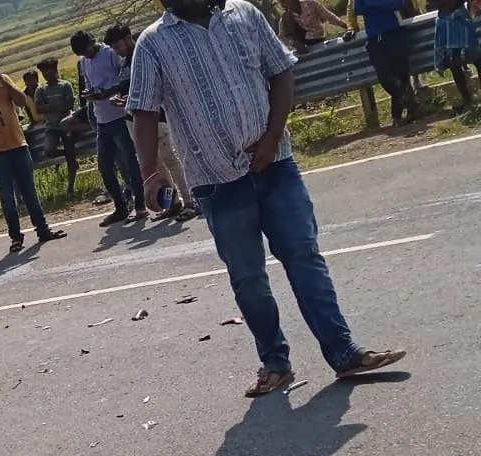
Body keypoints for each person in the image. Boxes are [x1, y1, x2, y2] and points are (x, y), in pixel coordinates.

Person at [127, 0, 406, 397]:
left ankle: (343, 353)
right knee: (249, 279)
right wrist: (150, 173)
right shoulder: (153, 44)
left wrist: (273, 136)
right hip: (217, 183)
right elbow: (142, 112)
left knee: (304, 257)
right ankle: (275, 363)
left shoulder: (244, 14)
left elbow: (281, 71)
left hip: (275, 165)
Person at [0, 44, 65, 252]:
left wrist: (2, 82)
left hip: (18, 145)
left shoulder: (2, 80)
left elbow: (21, 100)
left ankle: (43, 230)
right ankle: (16, 237)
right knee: (7, 197)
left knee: (30, 193)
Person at [104, 23, 199, 221]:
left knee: (170, 159)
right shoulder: (124, 63)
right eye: (113, 48)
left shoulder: (143, 55)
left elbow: (154, 86)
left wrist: (129, 100)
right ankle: (172, 204)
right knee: (155, 164)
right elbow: (128, 88)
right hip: (133, 117)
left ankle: (190, 201)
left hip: (155, 117)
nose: (116, 51)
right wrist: (121, 99)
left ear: (128, 38)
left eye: (118, 46)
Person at [72, 30, 147, 227]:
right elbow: (87, 84)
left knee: (130, 163)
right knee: (105, 166)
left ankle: (140, 204)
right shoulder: (84, 62)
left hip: (119, 116)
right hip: (101, 119)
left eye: (86, 50)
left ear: (92, 42)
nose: (86, 55)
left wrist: (106, 93)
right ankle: (121, 206)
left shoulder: (110, 54)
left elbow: (123, 82)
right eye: (81, 53)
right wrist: (91, 94)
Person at [345, 0, 420, 125]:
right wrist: (382, 4)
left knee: (400, 73)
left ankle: (397, 117)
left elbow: (398, 4)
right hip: (375, 36)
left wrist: (371, 4)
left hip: (394, 31)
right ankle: (406, 98)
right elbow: (357, 8)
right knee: (384, 74)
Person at [32, 57, 80, 196]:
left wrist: (49, 107)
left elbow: (69, 104)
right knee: (49, 150)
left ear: (55, 70)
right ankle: (68, 156)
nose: (47, 75)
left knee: (71, 157)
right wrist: (57, 106)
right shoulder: (41, 90)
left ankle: (70, 188)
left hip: (66, 125)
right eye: (44, 73)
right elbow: (39, 108)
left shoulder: (65, 85)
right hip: (52, 127)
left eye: (49, 71)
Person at [434, 0, 481, 112]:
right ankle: (466, 99)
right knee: (454, 64)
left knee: (477, 58)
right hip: (445, 18)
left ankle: (467, 99)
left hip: (460, 16)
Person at [278, 0, 350, 52]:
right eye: (280, 1)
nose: (282, 4)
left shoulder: (310, 4)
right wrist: (293, 43)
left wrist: (347, 26)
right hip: (302, 47)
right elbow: (282, 37)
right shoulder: (286, 18)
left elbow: (329, 16)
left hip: (317, 41)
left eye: (284, 1)